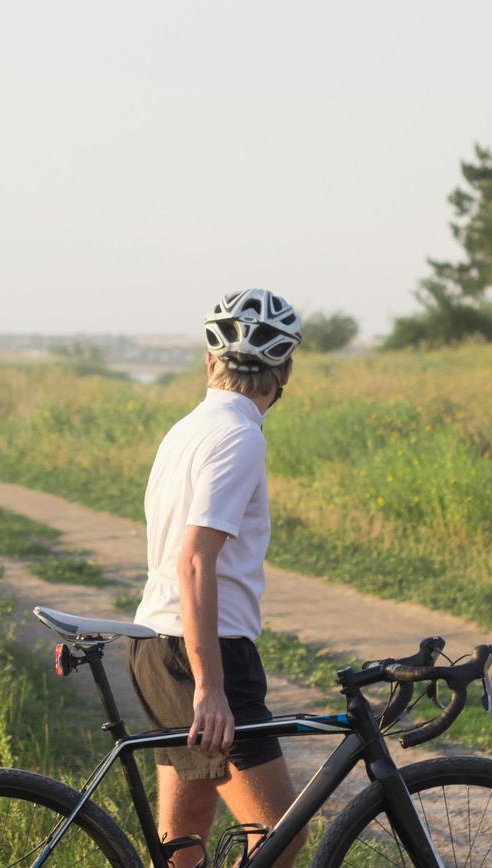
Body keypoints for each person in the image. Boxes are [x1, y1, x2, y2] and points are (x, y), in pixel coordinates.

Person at [129, 288, 305, 867]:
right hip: (206, 652)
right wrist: (210, 686)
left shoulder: (184, 430)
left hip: (156, 643)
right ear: (285, 371)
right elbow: (196, 561)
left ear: (210, 363)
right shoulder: (240, 437)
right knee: (281, 834)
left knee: (184, 835)